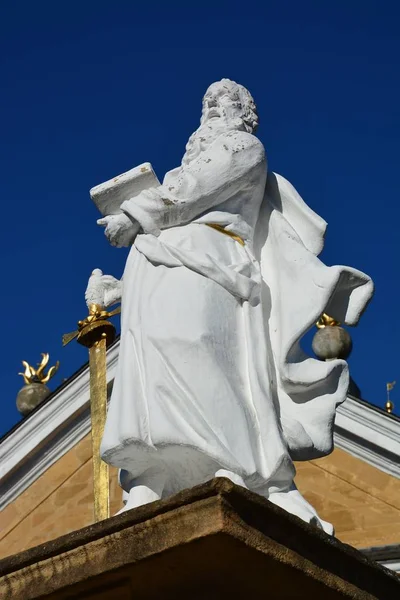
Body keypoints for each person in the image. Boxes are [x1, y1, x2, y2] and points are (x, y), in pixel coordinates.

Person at [96, 79, 373, 533]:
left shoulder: (244, 148)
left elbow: (192, 194)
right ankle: (148, 476)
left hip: (214, 263)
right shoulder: (186, 169)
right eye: (206, 104)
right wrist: (118, 291)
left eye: (223, 103)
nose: (211, 110)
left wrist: (133, 213)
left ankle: (227, 460)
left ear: (244, 114)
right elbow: (176, 204)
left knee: (199, 351)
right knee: (146, 370)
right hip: (159, 267)